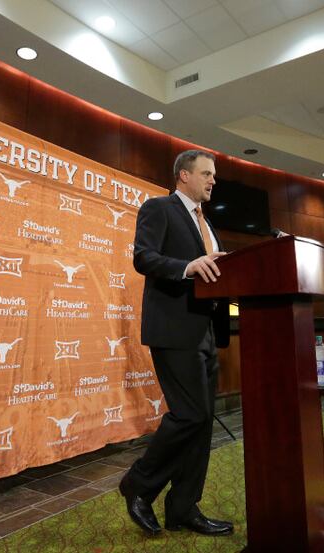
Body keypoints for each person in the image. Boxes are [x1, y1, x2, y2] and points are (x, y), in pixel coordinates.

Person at [119, 149, 233, 537]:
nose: (212, 180)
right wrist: (186, 267)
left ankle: (184, 506)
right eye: (206, 173)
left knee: (202, 424)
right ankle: (139, 483)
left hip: (207, 330)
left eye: (213, 175)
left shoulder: (208, 223)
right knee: (189, 415)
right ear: (184, 175)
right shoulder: (158, 209)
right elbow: (143, 257)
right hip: (173, 328)